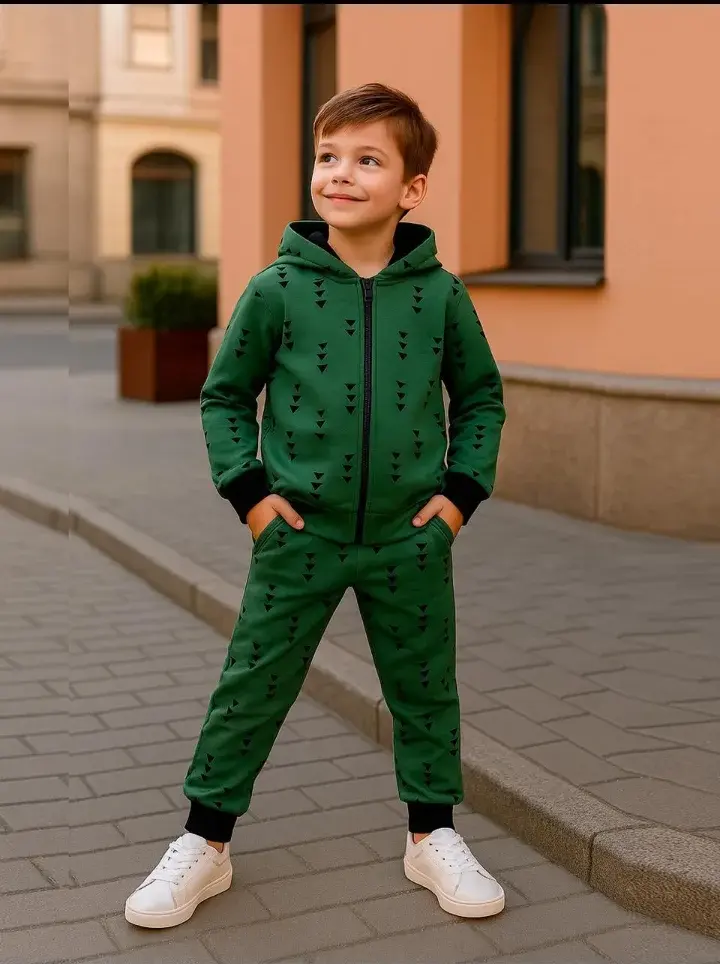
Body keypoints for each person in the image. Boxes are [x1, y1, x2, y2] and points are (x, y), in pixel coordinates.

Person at [124, 82, 506, 929]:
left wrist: (457, 500)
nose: (340, 173)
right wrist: (252, 497)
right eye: (328, 155)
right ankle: (205, 843)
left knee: (425, 688)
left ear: (411, 188)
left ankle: (432, 834)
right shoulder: (277, 289)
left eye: (367, 160)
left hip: (410, 539)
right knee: (252, 684)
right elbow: (226, 397)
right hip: (299, 536)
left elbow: (481, 398)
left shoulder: (441, 295)